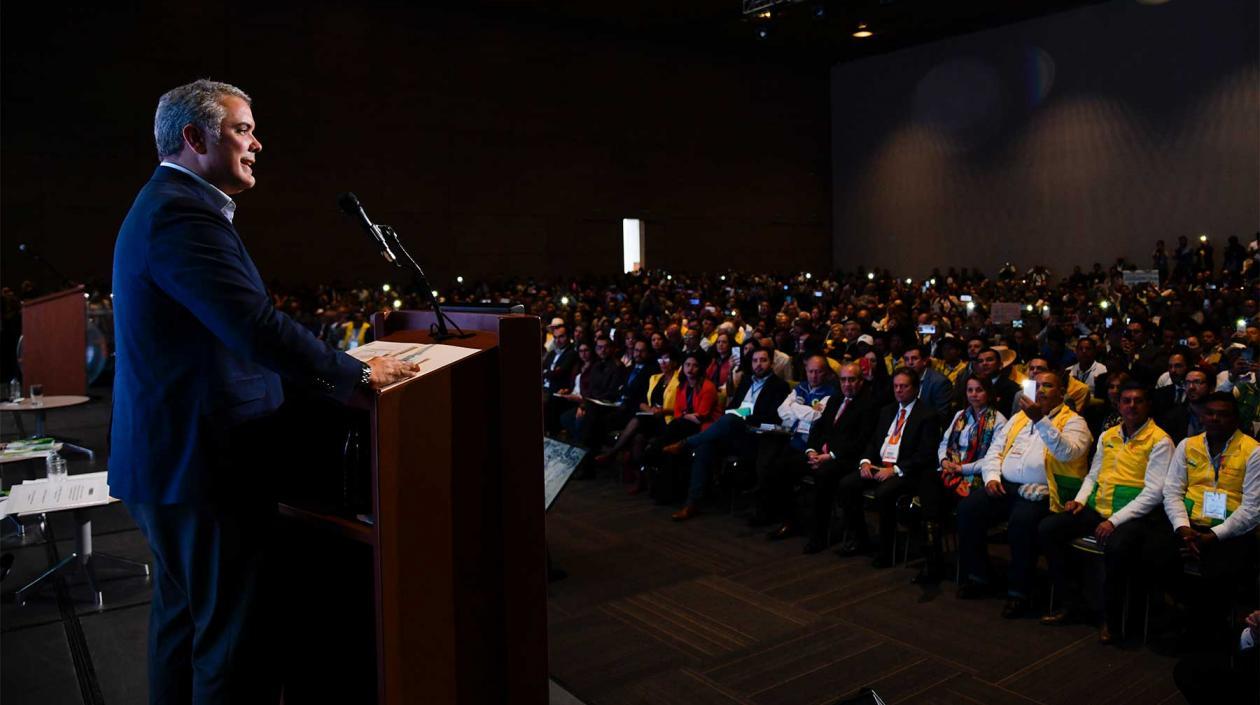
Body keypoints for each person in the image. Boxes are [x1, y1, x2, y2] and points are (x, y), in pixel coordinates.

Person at [110, 80, 416, 704]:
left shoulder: (167, 205)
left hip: (176, 461)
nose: (257, 144)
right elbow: (252, 326)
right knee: (232, 646)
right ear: (194, 138)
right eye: (242, 130)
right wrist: (356, 374)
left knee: (185, 627)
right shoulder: (180, 213)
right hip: (203, 465)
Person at [1036, 382, 1173, 643]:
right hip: (1099, 508)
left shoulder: (1160, 441)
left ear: (1148, 405)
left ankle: (1112, 618)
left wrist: (1114, 521)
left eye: (1138, 401)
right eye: (1126, 401)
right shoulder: (1108, 435)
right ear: (1118, 405)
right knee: (1049, 528)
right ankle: (1070, 602)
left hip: (1133, 516)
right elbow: (1093, 475)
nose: (1131, 406)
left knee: (1117, 547)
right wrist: (1080, 500)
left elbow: (1154, 493)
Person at [956, 370, 1092, 618]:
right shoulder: (1019, 418)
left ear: (1061, 392)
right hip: (1006, 485)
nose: (1040, 391)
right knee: (968, 509)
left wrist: (1040, 420)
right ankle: (978, 575)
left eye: (1048, 386)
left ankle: (1020, 592)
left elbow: (1068, 453)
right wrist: (992, 477)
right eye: (1037, 385)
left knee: (1021, 522)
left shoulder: (1074, 422)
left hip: (1044, 491)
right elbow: (995, 450)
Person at [1160, 392, 1260, 646]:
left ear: (1235, 419)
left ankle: (1207, 633)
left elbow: (1252, 509)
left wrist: (1212, 536)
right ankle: (1182, 617)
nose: (1215, 419)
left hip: (1230, 531)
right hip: (1191, 526)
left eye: (1223, 414)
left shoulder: (1253, 451)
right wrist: (1183, 528)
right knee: (1155, 554)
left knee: (1218, 571)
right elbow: (1172, 492)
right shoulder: (1187, 445)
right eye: (1210, 413)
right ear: (1202, 416)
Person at [663, 348, 790, 521]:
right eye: (755, 361)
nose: (758, 365)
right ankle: (692, 503)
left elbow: (774, 416)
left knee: (730, 419)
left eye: (763, 360)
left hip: (757, 436)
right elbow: (731, 407)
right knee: (705, 446)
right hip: (735, 432)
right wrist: (739, 414)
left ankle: (686, 443)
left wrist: (744, 415)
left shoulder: (779, 386)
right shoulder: (746, 381)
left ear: (772, 363)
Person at [763, 362, 878, 553]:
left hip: (845, 458)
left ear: (860, 381)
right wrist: (811, 450)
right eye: (843, 380)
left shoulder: (869, 404)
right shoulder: (836, 398)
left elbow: (861, 441)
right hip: (821, 455)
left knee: (823, 476)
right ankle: (789, 521)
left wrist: (829, 456)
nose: (847, 384)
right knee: (780, 466)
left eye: (851, 380)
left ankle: (819, 535)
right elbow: (818, 427)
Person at [837, 368, 942, 568]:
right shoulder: (887, 411)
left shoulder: (927, 415)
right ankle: (860, 539)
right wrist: (865, 461)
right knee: (847, 484)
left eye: (904, 386)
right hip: (880, 465)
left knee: (884, 493)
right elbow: (873, 441)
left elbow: (925, 454)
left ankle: (886, 551)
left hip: (906, 471)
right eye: (896, 386)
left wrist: (895, 469)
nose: (899, 390)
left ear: (916, 388)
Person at [914, 375, 1007, 584]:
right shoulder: (960, 415)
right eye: (970, 390)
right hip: (952, 470)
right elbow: (943, 443)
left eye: (979, 390)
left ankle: (940, 560)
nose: (974, 394)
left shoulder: (999, 421)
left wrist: (962, 468)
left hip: (976, 476)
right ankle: (933, 555)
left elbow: (993, 459)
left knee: (936, 503)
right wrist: (944, 460)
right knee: (927, 480)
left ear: (988, 393)